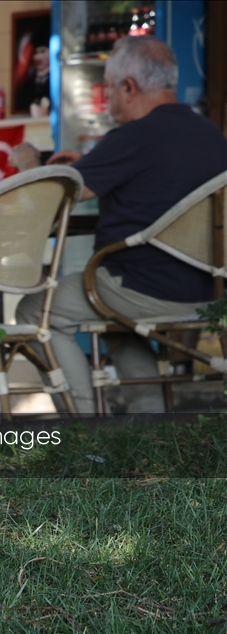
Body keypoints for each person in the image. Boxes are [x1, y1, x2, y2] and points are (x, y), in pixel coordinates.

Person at [16, 35, 227, 414]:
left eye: (109, 88)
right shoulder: (211, 135)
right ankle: (148, 411)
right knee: (107, 304)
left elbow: (56, 195)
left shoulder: (131, 137)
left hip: (137, 288)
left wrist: (30, 165)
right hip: (208, 289)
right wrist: (92, 160)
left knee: (35, 311)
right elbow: (156, 172)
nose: (107, 97)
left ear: (129, 87)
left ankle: (85, 423)